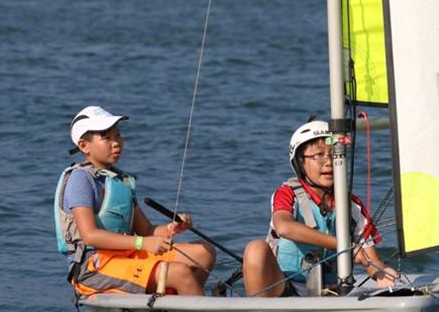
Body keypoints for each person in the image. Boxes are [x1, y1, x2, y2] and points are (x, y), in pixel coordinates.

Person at [54, 106, 216, 296]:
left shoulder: (120, 181)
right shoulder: (81, 179)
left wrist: (172, 228)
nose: (116, 143)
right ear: (84, 146)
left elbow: (146, 231)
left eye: (118, 135)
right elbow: (90, 236)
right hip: (93, 267)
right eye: (106, 138)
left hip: (127, 255)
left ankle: (177, 303)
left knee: (205, 252)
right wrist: (142, 243)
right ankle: (191, 310)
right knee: (180, 273)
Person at [242, 120, 399, 297]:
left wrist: (382, 274)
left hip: (330, 291)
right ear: (300, 162)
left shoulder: (352, 205)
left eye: (334, 155)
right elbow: (284, 227)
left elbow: (372, 262)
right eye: (318, 155)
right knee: (256, 249)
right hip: (284, 288)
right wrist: (345, 246)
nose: (328, 162)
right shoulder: (287, 194)